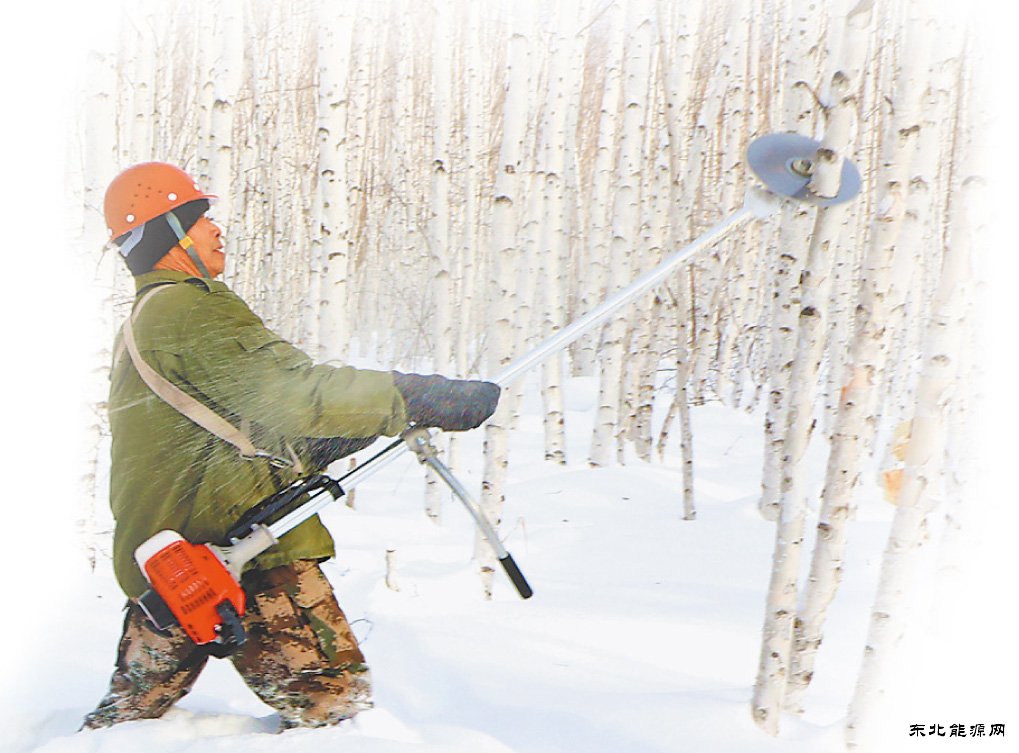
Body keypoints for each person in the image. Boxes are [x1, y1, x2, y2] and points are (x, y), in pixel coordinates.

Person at [83, 162, 500, 731]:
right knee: (337, 714)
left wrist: (325, 441)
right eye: (201, 218)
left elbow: (223, 424)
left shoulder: (149, 317)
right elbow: (292, 393)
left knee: (127, 722)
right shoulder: (188, 307)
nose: (216, 229)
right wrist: (414, 397)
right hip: (245, 558)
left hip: (171, 563)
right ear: (171, 232)